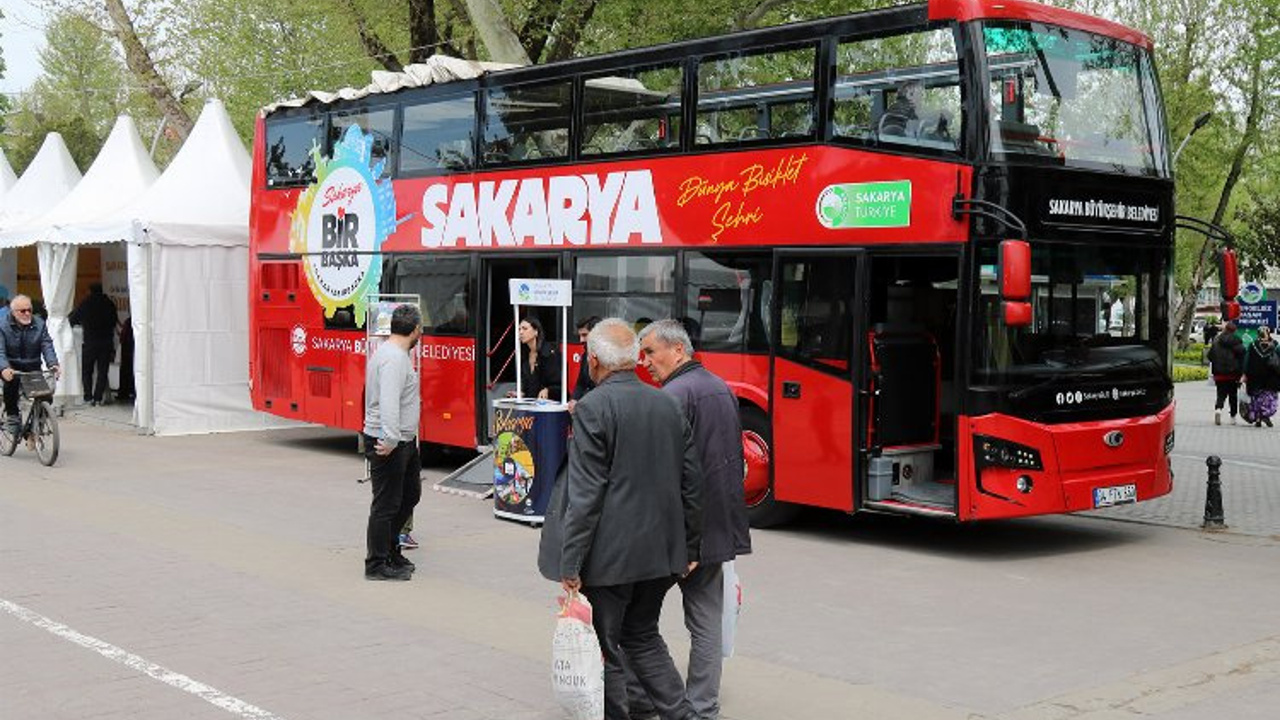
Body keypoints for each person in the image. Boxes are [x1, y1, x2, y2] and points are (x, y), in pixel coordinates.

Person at [559, 318, 703, 720]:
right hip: (662, 552)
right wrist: (691, 545)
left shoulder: (592, 408)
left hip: (611, 557)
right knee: (642, 635)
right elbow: (693, 482)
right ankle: (683, 715)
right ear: (634, 360)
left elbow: (585, 494)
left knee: (606, 647)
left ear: (593, 363)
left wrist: (570, 563)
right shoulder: (667, 402)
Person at [637, 319, 752, 720]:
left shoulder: (673, 395)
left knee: (636, 620)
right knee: (706, 624)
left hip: (680, 533)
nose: (645, 361)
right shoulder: (720, 387)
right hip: (718, 526)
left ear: (678, 350)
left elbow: (665, 472)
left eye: (651, 352)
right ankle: (703, 708)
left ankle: (644, 697)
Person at [362, 304, 424, 581]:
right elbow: (388, 400)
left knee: (409, 495)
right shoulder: (394, 359)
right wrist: (389, 438)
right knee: (386, 504)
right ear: (415, 330)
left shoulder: (392, 353)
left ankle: (391, 551)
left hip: (402, 440)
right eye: (421, 330)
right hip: (389, 441)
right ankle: (376, 563)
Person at [1, 295, 61, 430]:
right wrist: (4, 368)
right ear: (13, 312)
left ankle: (34, 426)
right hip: (11, 366)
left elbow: (47, 344)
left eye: (29, 310)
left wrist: (53, 364)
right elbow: (0, 351)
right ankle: (12, 416)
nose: (27, 313)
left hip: (32, 366)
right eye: (22, 311)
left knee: (45, 396)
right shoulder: (2, 325)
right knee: (11, 386)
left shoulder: (39, 323)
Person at [68, 282, 119, 406]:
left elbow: (72, 320)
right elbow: (114, 322)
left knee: (87, 371)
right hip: (106, 342)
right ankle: (98, 398)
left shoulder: (85, 304)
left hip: (90, 342)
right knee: (102, 371)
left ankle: (88, 397)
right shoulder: (109, 304)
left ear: (90, 291)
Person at [1207, 321, 1245, 425]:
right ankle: (1233, 417)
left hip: (1219, 374)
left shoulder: (1217, 340)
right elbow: (1242, 356)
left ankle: (1218, 409)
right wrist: (1241, 373)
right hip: (1233, 374)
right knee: (1233, 395)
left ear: (1225, 329)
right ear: (1235, 330)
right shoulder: (1237, 341)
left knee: (1221, 393)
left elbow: (1210, 356)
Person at [516, 315, 562, 400]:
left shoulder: (549, 353)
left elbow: (560, 385)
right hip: (532, 404)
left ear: (536, 331)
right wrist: (520, 394)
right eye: (519, 329)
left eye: (525, 329)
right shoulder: (524, 356)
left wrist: (548, 390)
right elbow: (529, 386)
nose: (521, 332)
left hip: (550, 404)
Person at [1243, 326, 1280, 427]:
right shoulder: (1276, 345)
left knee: (1256, 398)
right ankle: (1265, 415)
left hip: (1255, 376)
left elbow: (1246, 360)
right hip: (1271, 377)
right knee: (1270, 397)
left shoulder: (1253, 345)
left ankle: (1259, 417)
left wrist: (1244, 373)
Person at [570, 315, 601, 405]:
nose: (581, 340)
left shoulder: (607, 357)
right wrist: (574, 399)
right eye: (580, 336)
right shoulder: (585, 354)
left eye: (584, 335)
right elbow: (581, 382)